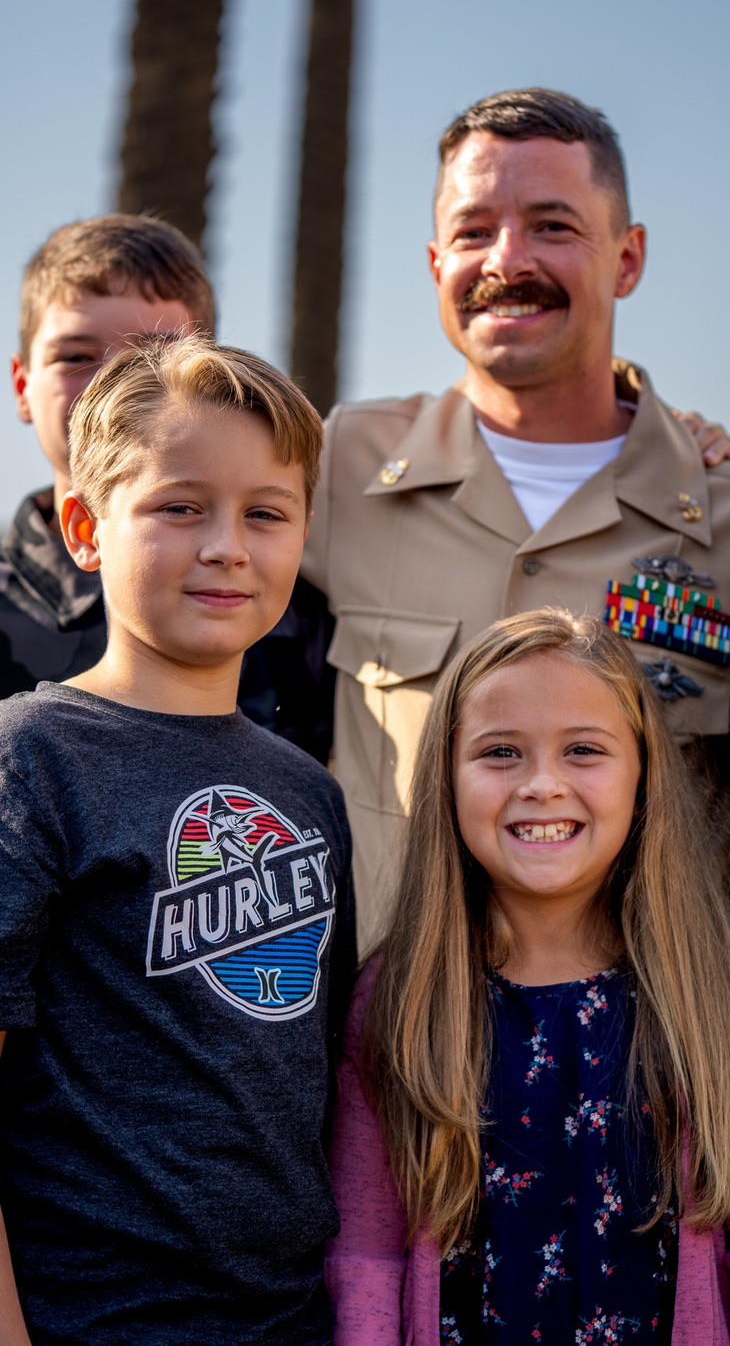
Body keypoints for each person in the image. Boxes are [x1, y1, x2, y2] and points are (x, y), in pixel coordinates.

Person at [302, 88, 730, 941]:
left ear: (628, 258)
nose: (506, 259)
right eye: (473, 231)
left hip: (650, 1056)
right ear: (433, 261)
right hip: (392, 1045)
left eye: (553, 226)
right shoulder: (338, 466)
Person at [326, 609, 730, 1344]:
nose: (543, 784)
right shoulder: (399, 998)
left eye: (583, 750)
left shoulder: (726, 985)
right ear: (445, 780)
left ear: (643, 774)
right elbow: (366, 1263)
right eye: (500, 752)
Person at [0, 336, 355, 1345]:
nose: (227, 547)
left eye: (265, 514)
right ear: (85, 525)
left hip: (288, 1321)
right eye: (179, 506)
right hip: (94, 1321)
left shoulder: (306, 792)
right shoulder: (33, 757)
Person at [5, 213, 335, 759]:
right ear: (22, 384)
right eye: (77, 357)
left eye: (151, 358)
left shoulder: (292, 615)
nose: (112, 382)